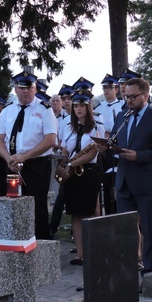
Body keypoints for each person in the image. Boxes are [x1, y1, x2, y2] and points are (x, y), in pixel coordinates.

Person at [110, 77, 152, 274]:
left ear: (145, 96)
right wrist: (107, 147)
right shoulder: (122, 116)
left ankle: (149, 271)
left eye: (133, 97)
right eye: (126, 96)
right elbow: (114, 139)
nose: (128, 100)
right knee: (125, 230)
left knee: (148, 230)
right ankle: (127, 269)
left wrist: (140, 156)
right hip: (124, 182)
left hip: (146, 183)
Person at [0, 71, 58, 239]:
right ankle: (13, 243)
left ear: (35, 89)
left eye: (29, 88)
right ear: (15, 89)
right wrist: (9, 158)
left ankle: (42, 245)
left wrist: (25, 156)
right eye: (21, 88)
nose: (25, 92)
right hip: (11, 164)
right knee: (12, 206)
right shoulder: (7, 110)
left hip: (36, 164)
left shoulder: (45, 109)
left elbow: (50, 139)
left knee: (37, 208)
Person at [58, 89, 104, 265]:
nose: (78, 109)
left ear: (88, 107)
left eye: (82, 106)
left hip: (89, 172)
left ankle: (93, 250)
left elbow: (92, 154)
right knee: (75, 214)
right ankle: (80, 254)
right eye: (75, 105)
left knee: (91, 212)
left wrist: (70, 164)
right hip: (72, 174)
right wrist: (61, 163)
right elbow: (65, 150)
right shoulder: (68, 126)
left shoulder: (98, 126)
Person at [93, 74, 125, 215]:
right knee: (106, 184)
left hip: (117, 148)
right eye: (104, 88)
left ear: (116, 89)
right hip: (104, 149)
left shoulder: (122, 106)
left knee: (117, 186)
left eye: (110, 88)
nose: (106, 91)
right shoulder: (99, 107)